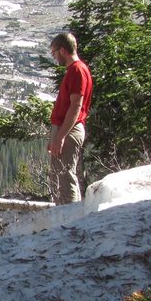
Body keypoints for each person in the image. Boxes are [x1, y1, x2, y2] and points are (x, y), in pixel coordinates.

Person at [47, 32, 93, 204]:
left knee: (65, 176)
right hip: (67, 129)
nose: (54, 57)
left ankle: (71, 220)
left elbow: (76, 106)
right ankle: (66, 216)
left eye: (54, 52)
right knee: (59, 175)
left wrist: (60, 136)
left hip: (70, 129)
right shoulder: (77, 70)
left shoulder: (77, 70)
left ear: (63, 50)